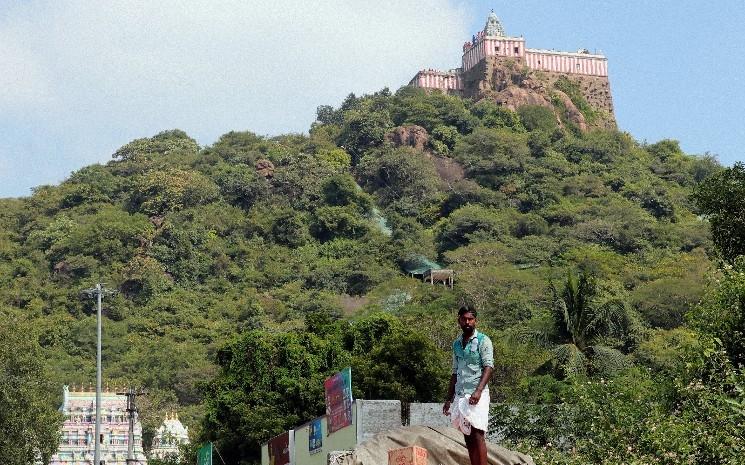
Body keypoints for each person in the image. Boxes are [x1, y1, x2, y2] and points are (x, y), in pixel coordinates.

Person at [443, 306, 494, 465]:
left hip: (477, 395)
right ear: (459, 320)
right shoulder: (456, 344)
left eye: (470, 319)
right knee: (468, 436)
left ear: (475, 321)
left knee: (478, 434)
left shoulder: (483, 340)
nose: (467, 322)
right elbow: (455, 372)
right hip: (461, 395)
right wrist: (448, 399)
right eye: (464, 319)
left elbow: (488, 367)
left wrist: (478, 391)